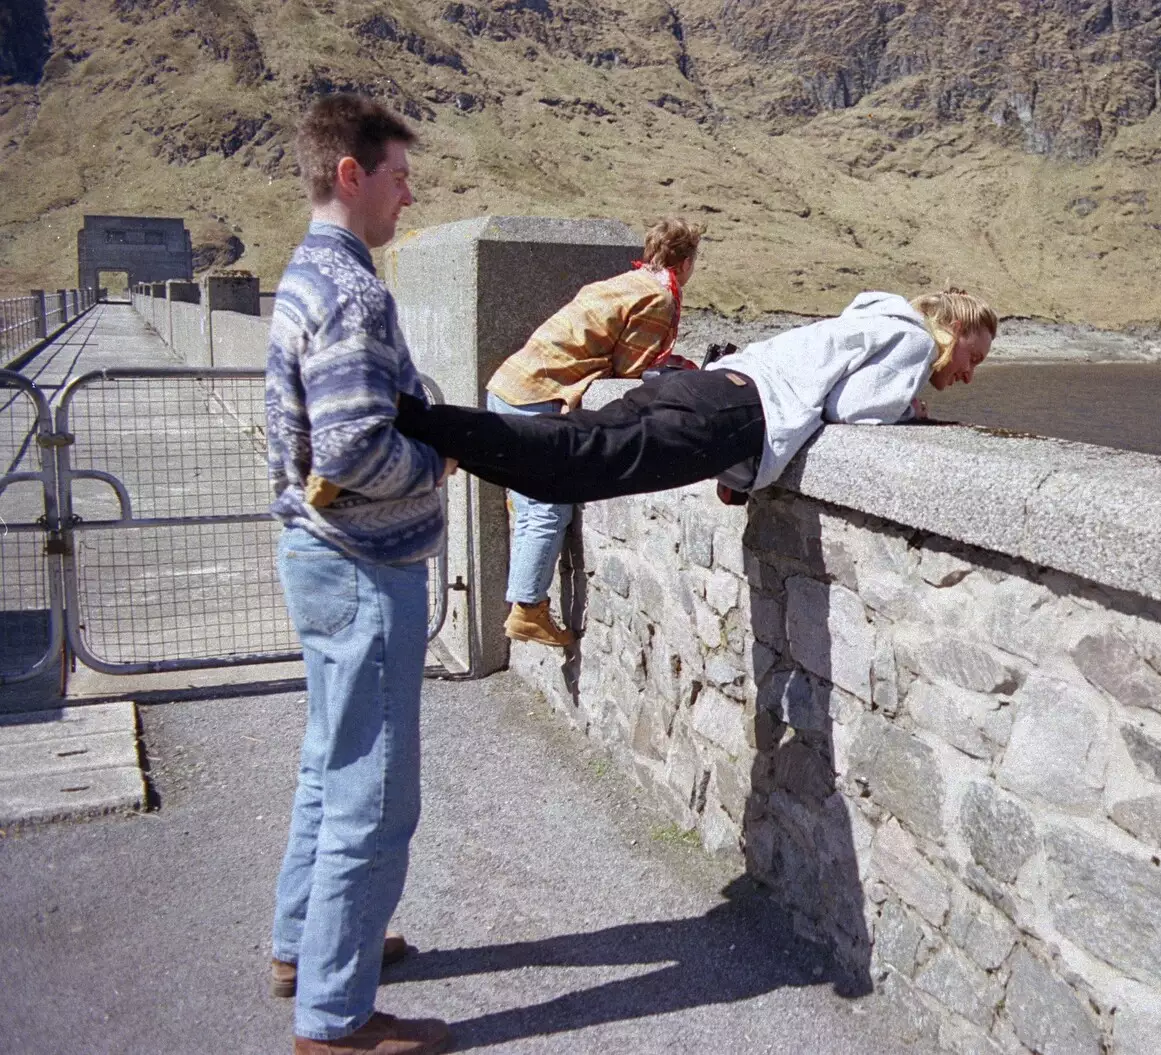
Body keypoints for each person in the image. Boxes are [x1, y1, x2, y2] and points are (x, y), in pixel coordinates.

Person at [263, 94, 454, 1055]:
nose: (407, 195)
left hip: (314, 554)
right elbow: (350, 451)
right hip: (361, 562)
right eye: (398, 174)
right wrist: (439, 463)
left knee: (325, 765)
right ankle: (336, 1019)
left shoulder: (303, 275)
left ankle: (305, 947)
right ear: (352, 173)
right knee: (373, 793)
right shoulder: (352, 290)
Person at [390, 288, 995, 513]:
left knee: (568, 462)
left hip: (704, 386)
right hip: (736, 414)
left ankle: (436, 434)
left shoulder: (867, 321)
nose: (968, 373)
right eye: (974, 356)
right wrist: (907, 408)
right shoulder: (913, 340)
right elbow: (854, 411)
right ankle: (419, 421)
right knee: (571, 464)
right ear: (953, 331)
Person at [486, 217, 703, 647]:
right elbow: (632, 372)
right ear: (686, 261)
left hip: (509, 386)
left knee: (530, 501)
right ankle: (528, 610)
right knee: (548, 507)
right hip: (536, 397)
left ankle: (527, 595)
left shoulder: (626, 281)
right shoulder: (658, 299)